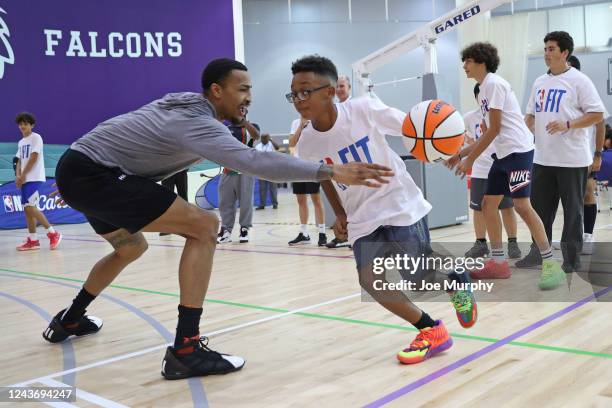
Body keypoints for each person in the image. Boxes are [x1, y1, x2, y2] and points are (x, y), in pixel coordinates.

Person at [42, 58, 393, 380]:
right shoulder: (198, 123)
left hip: (82, 166)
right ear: (216, 90)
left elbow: (124, 130)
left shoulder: (181, 104)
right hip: (95, 174)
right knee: (206, 226)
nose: (249, 98)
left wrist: (74, 178)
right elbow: (256, 163)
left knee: (130, 247)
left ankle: (71, 318)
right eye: (242, 89)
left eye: (250, 90)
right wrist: (329, 171)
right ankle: (186, 348)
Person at [290, 54, 477, 365]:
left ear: (330, 90)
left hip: (397, 203)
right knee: (369, 280)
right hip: (361, 217)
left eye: (305, 91)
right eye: (294, 93)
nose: (298, 99)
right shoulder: (308, 143)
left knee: (417, 278)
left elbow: (415, 127)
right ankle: (431, 330)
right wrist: (340, 213)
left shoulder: (362, 109)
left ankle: (456, 278)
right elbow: (325, 178)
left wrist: (451, 147)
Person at [448, 42, 564, 290]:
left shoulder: (495, 84)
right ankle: (499, 263)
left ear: (481, 61)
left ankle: (551, 264)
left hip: (519, 151)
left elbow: (495, 129)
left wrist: (468, 159)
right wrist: (461, 153)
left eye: (468, 61)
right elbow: (488, 133)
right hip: (502, 154)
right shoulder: (482, 89)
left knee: (522, 205)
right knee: (488, 204)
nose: (464, 66)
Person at [522, 32, 605, 272]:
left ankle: (571, 260)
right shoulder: (539, 82)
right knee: (540, 211)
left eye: (551, 49)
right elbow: (530, 116)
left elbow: (597, 115)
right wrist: (522, 129)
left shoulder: (580, 81)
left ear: (564, 53)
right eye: (545, 48)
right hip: (542, 158)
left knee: (572, 213)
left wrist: (567, 124)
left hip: (572, 160)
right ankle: (539, 253)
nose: (546, 53)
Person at [551, 55, 608, 255]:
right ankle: (570, 237)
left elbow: (600, 124)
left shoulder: (585, 88)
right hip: (562, 154)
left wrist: (598, 154)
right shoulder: (555, 89)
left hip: (584, 152)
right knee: (568, 198)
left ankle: (588, 235)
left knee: (587, 192)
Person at [463, 84, 521, 260]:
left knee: (507, 207)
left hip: (500, 166)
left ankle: (512, 243)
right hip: (480, 169)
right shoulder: (469, 117)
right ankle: (480, 243)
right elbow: (468, 138)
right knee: (478, 208)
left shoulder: (499, 115)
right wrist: (466, 141)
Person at [14, 112, 62, 251]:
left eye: (26, 123)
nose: (23, 126)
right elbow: (19, 160)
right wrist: (18, 175)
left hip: (34, 177)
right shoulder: (21, 142)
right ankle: (33, 240)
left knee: (29, 206)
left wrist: (23, 175)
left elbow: (33, 158)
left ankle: (53, 233)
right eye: (21, 124)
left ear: (31, 125)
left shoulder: (36, 138)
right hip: (25, 178)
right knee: (27, 209)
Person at [216, 115, 260, 243]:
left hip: (245, 171)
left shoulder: (251, 127)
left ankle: (244, 229)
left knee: (246, 202)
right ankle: (226, 231)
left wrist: (245, 121)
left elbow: (256, 136)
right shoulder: (226, 128)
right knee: (225, 202)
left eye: (242, 109)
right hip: (228, 171)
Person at [288, 116, 327, 246]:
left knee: (316, 199)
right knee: (301, 200)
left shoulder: (316, 121)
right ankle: (304, 233)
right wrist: (300, 126)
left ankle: (322, 233)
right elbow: (291, 144)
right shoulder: (295, 122)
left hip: (312, 166)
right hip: (297, 166)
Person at [325, 74, 353, 249]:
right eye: (337, 86)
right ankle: (345, 235)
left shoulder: (355, 107)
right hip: (339, 158)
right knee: (344, 198)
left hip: (353, 156)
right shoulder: (333, 110)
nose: (339, 89)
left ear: (349, 87)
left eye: (342, 86)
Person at [159, 169, 188, 236]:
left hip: (181, 171)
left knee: (183, 198)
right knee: (166, 201)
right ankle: (167, 228)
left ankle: (186, 226)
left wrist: (185, 169)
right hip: (167, 173)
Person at [255, 133, 280, 210]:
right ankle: (262, 205)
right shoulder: (257, 146)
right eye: (262, 138)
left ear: (268, 138)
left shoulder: (271, 145)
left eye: (265, 138)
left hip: (272, 170)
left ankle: (275, 204)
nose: (263, 139)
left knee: (273, 188)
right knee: (262, 189)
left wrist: (271, 140)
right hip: (262, 170)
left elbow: (277, 147)